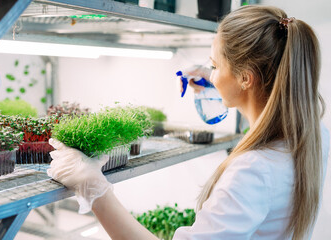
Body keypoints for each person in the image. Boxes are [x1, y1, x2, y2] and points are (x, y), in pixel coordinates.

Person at [47, 5, 330, 240]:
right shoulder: (315, 135)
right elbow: (267, 100)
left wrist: (94, 189)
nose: (211, 74)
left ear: (246, 78)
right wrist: (218, 78)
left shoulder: (252, 171)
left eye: (215, 66)